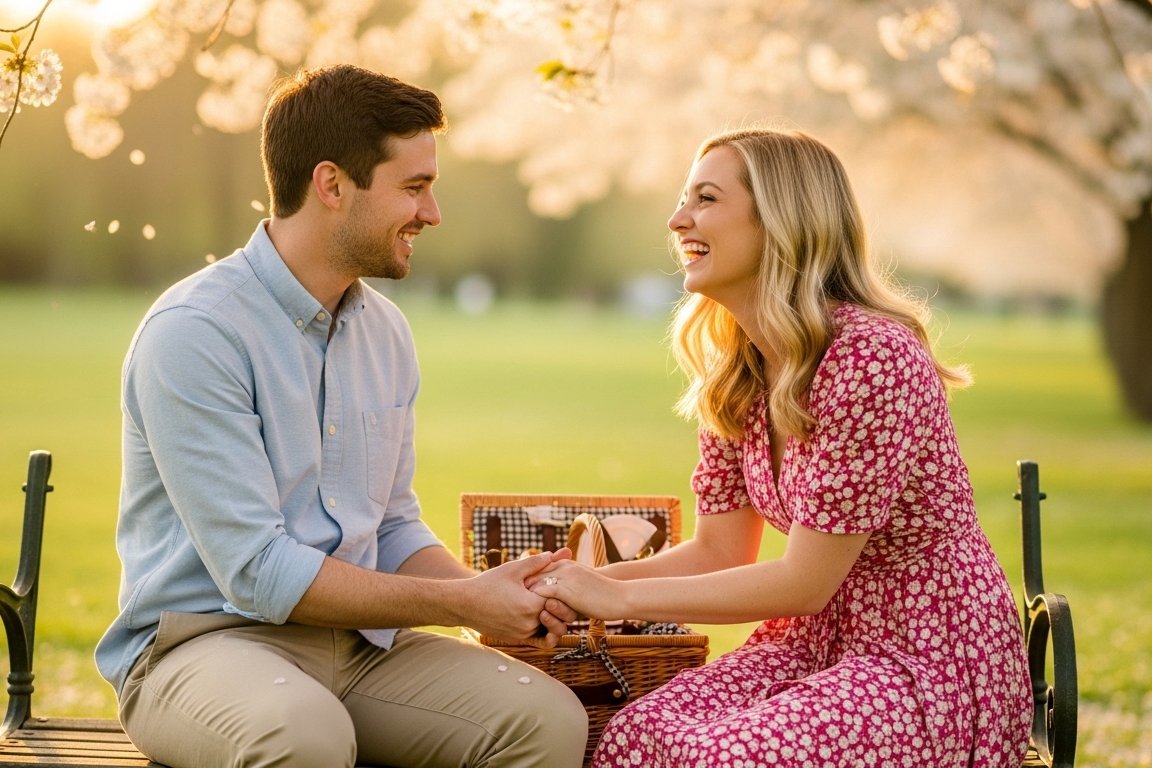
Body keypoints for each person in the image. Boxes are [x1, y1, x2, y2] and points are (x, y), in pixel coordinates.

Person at [94, 64, 588, 768]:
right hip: (200, 648)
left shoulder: (385, 332)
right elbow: (258, 573)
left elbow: (389, 524)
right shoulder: (196, 332)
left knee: (545, 719)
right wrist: (462, 607)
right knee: (302, 737)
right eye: (414, 188)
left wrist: (496, 600)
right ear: (332, 185)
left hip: (360, 650)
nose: (433, 213)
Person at [532, 128, 1032, 767]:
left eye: (706, 198)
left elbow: (804, 583)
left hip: (925, 661)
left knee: (723, 757)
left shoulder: (871, 357)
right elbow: (719, 551)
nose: (677, 218)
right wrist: (580, 584)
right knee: (636, 733)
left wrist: (618, 598)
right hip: (811, 646)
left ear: (780, 223)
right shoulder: (740, 369)